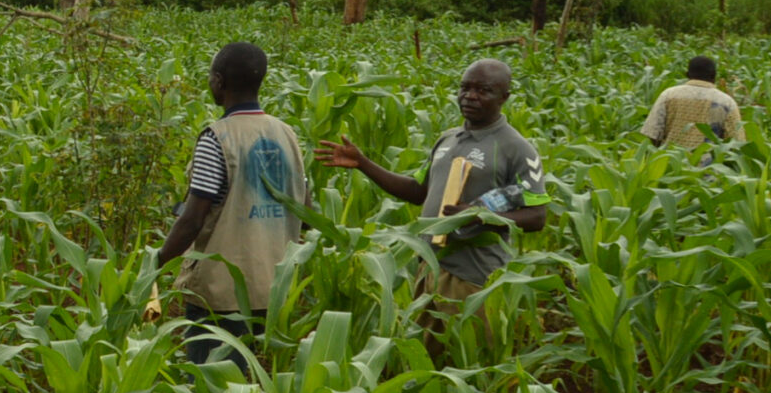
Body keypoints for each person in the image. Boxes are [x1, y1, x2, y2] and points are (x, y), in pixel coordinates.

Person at [316, 57, 549, 320]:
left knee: (465, 345)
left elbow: (536, 217)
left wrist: (480, 217)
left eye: (483, 90)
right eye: (465, 88)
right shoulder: (448, 139)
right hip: (429, 268)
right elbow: (419, 191)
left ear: (504, 97)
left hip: (473, 278)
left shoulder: (516, 148)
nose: (470, 96)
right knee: (422, 344)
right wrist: (363, 163)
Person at [153, 41, 309, 369]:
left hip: (221, 293)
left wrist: (157, 262)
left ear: (219, 81)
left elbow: (193, 219)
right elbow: (305, 213)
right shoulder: (287, 135)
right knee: (253, 383)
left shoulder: (216, 139)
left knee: (213, 385)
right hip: (275, 288)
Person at [641, 56, 744, 150]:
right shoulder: (727, 102)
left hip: (670, 159)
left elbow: (652, 134)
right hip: (709, 163)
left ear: (687, 74)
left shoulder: (668, 95)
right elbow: (736, 142)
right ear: (714, 76)